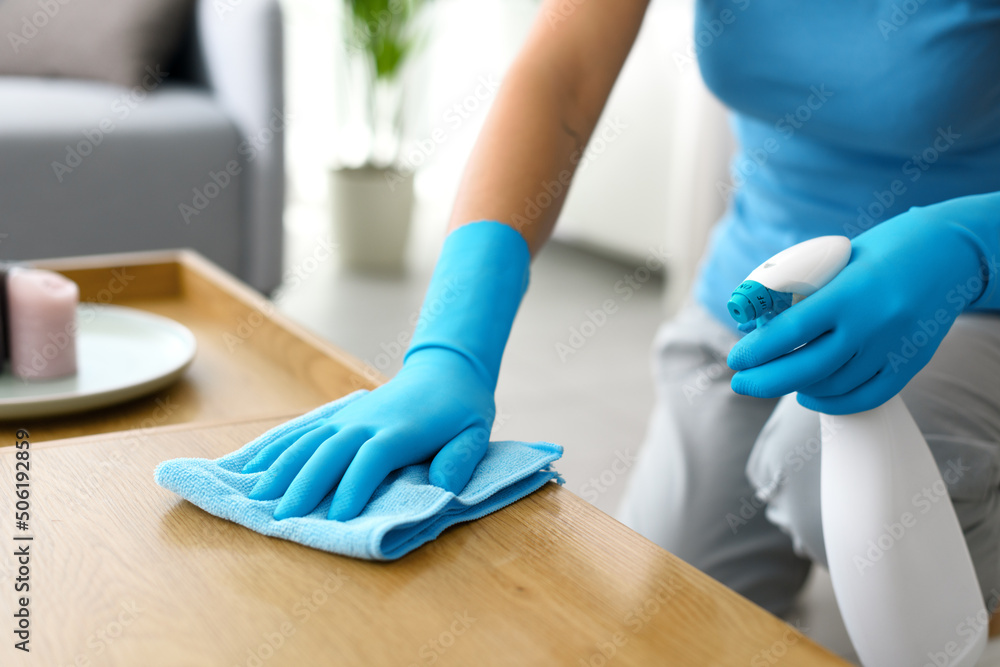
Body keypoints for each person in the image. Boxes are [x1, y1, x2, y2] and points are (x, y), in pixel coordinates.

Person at [243, 0, 1000, 619]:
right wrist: (449, 348)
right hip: (756, 305)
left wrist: (968, 244)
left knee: (839, 483)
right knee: (654, 619)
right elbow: (561, 76)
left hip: (977, 305)